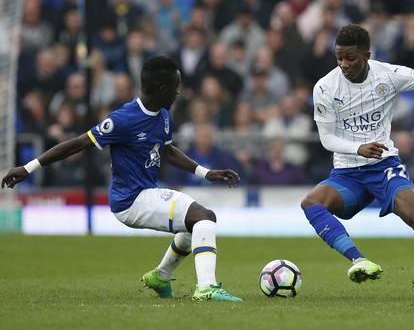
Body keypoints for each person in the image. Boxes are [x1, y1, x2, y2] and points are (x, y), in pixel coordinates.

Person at [1, 56, 242, 303]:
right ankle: (206, 289)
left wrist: (205, 172)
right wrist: (29, 168)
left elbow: (167, 150)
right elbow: (77, 144)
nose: (178, 92)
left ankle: (161, 276)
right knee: (204, 217)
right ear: (161, 89)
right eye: (174, 87)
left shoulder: (163, 115)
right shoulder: (123, 119)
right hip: (131, 199)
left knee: (195, 225)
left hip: (146, 192)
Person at [301, 24, 414, 300]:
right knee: (311, 203)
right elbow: (327, 139)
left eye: (350, 58)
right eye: (339, 58)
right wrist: (358, 148)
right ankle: (359, 260)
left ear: (367, 54)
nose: (344, 64)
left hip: (384, 167)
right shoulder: (325, 88)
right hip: (347, 173)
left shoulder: (388, 75)